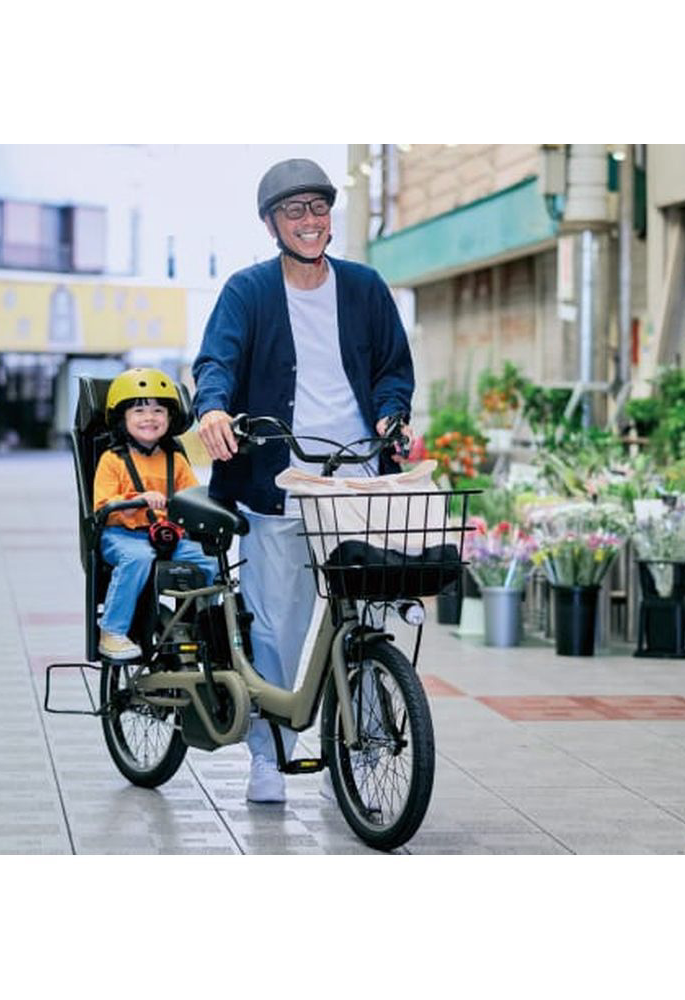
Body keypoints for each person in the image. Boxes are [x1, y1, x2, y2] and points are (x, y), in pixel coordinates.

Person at [192, 157, 415, 803]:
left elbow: (393, 369)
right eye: (294, 211)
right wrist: (213, 409)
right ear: (272, 224)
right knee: (277, 625)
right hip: (277, 479)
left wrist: (391, 411)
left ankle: (363, 736)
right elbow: (216, 361)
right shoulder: (248, 290)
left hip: (357, 477)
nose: (310, 220)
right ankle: (270, 755)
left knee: (366, 614)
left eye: (318, 207)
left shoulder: (365, 287)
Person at [94, 367, 217, 661]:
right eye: (139, 410)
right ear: (122, 419)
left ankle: (201, 624)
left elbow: (193, 498)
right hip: (122, 535)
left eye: (158, 410)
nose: (149, 417)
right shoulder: (112, 460)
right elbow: (102, 507)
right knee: (137, 558)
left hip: (169, 536)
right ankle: (112, 631)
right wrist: (137, 500)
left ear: (170, 418)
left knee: (210, 563)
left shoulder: (176, 459)